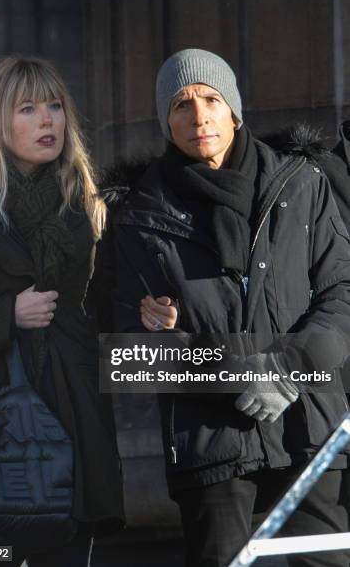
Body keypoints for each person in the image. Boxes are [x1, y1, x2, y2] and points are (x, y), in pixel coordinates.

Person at [111, 49, 350, 567]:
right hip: (209, 439)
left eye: (211, 99)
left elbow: (342, 293)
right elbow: (127, 354)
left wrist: (288, 366)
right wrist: (233, 373)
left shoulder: (302, 185)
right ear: (164, 119)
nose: (199, 116)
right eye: (181, 103)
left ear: (234, 110)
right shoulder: (136, 215)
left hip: (306, 420)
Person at [0, 55, 124, 566]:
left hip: (72, 414)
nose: (48, 121)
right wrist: (1, 314)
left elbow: (102, 307)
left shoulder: (85, 201)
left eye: (55, 106)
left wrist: (150, 314)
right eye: (28, 108)